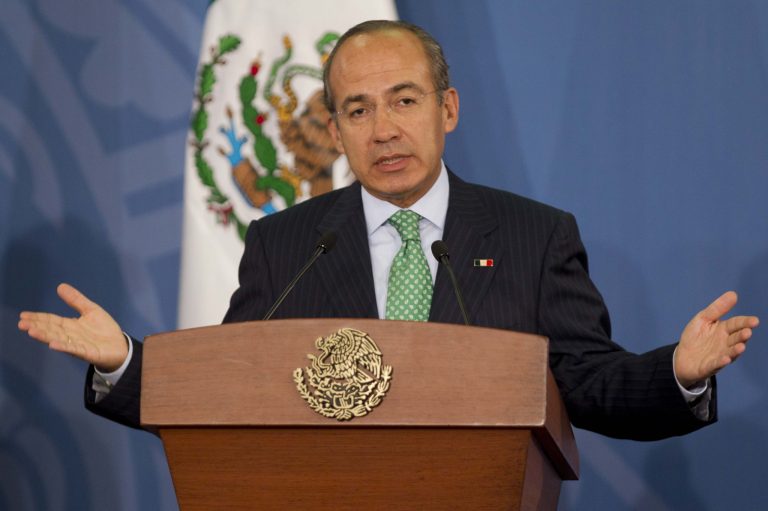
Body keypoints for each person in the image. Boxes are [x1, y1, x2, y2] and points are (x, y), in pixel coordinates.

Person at [19, 20, 758, 439]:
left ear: (449, 109)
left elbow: (587, 382)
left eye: (404, 100)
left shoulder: (534, 235)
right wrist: (124, 361)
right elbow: (231, 391)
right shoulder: (286, 244)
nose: (385, 129)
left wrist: (677, 373)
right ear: (335, 131)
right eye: (359, 110)